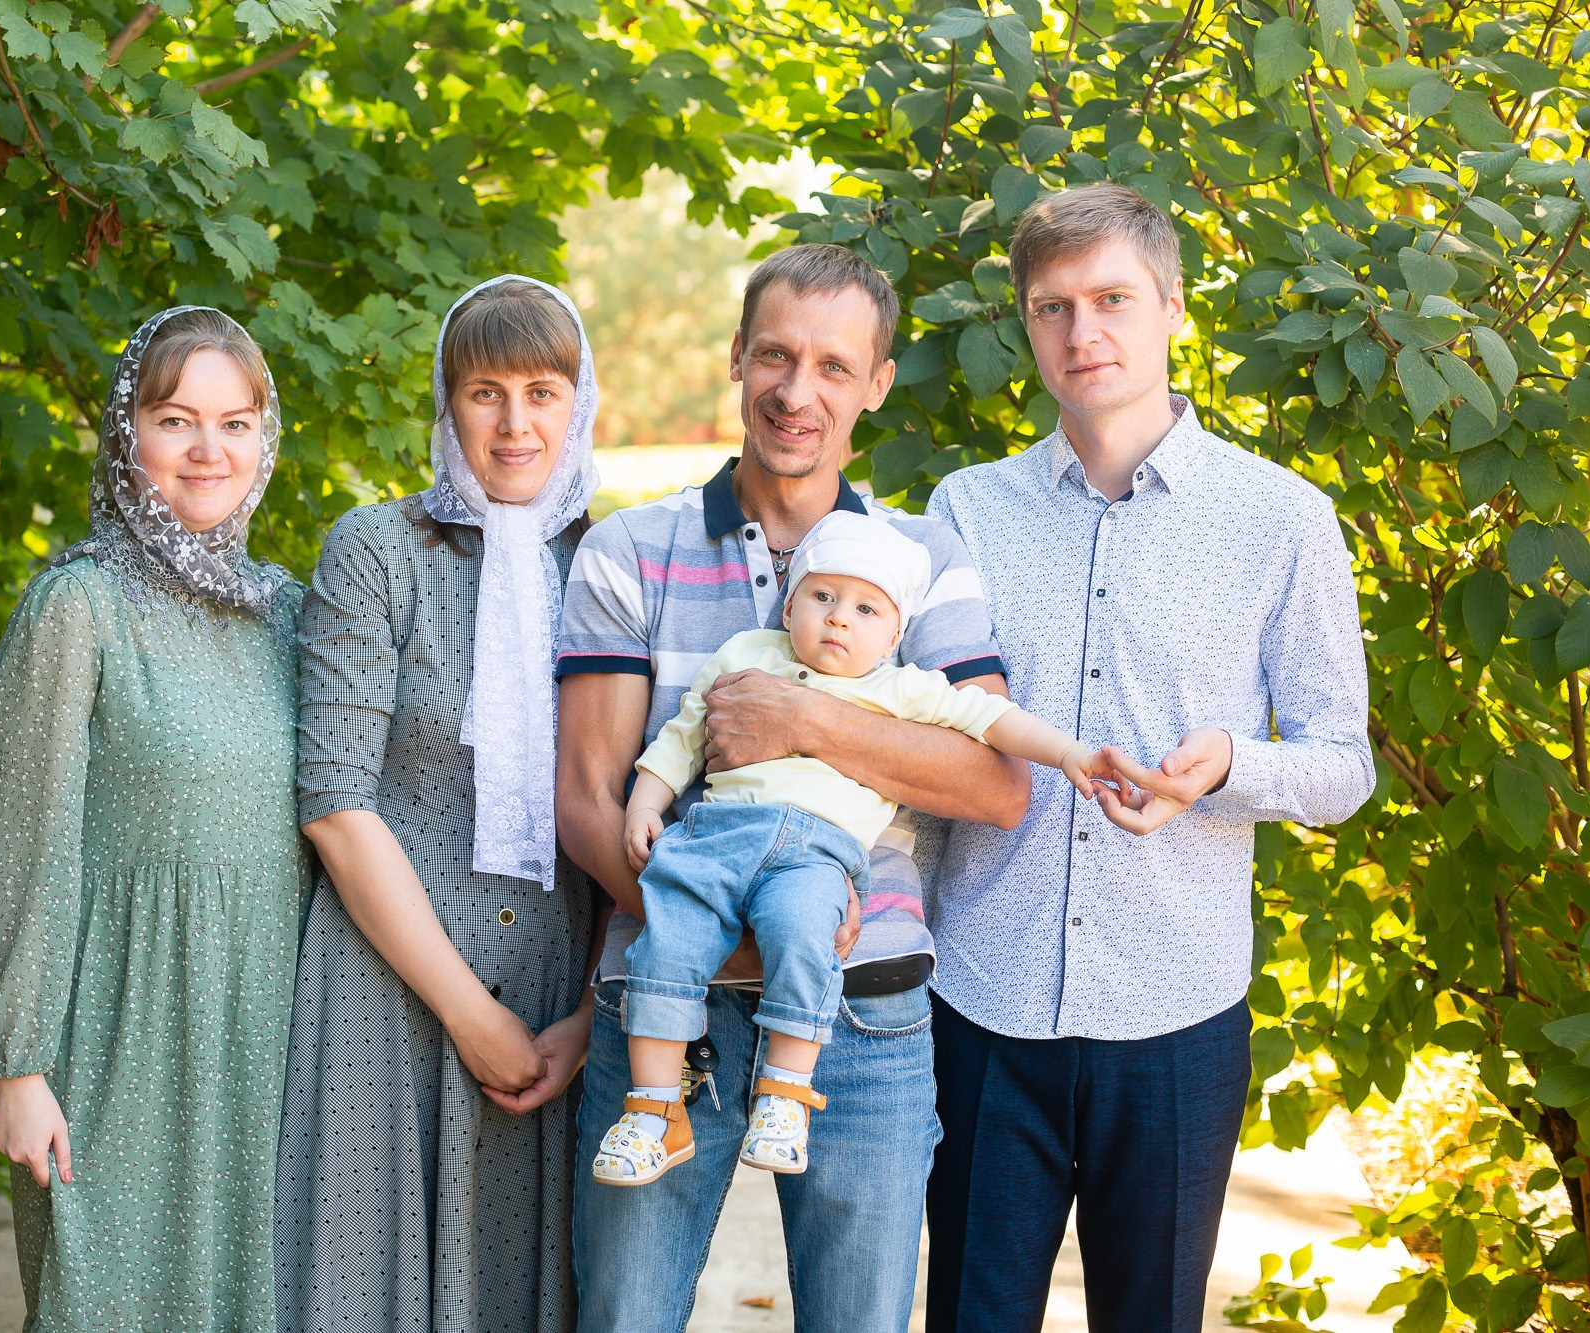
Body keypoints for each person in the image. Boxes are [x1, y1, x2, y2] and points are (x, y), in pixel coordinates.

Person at [920, 182, 1374, 1332]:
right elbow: (925, 732)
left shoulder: (1280, 519)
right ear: (1024, 325)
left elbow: (1341, 763)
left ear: (1171, 306)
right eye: (1050, 307)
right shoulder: (964, 511)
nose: (1082, 334)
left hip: (1176, 1014)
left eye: (1111, 298)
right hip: (982, 1004)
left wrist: (1227, 765)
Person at [557, 243, 1030, 1332]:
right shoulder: (632, 550)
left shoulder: (923, 564)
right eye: (773, 354)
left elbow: (996, 785)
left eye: (830, 365)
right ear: (736, 357)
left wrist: (806, 716)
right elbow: (587, 798)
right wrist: (725, 948)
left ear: (874, 384)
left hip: (860, 1019)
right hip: (661, 1019)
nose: (794, 390)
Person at [0, 306, 307, 1330]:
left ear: (264, 438)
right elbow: (24, 841)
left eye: (235, 422)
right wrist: (17, 1064)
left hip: (264, 1032)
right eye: (174, 419)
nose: (208, 450)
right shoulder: (77, 606)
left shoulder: (283, 613)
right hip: (113, 1035)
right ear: (125, 434)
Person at [591, 511, 1101, 1187]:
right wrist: (646, 804)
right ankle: (655, 1111)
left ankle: (785, 1094)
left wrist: (1068, 752)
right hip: (714, 838)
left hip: (814, 854)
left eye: (865, 608)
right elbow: (684, 736)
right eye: (822, 596)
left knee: (806, 932)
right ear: (791, 602)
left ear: (893, 633)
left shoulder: (898, 689)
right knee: (665, 941)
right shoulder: (747, 653)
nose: (838, 618)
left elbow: (992, 719)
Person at [275, 276, 600, 1332]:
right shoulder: (375, 550)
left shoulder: (607, 562)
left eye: (542, 392)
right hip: (387, 983)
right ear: (444, 403)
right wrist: (468, 1011)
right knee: (359, 1290)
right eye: (484, 392)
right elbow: (332, 800)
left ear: (580, 402)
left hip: (559, 993)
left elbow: (646, 805)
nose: (514, 424)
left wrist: (589, 1018)